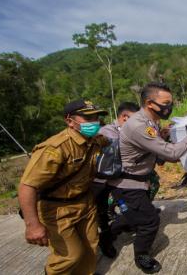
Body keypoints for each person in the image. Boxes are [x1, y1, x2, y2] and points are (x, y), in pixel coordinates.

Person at [118, 82, 187, 273]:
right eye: (166, 103)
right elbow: (172, 154)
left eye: (171, 102)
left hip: (142, 178)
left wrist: (164, 136)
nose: (169, 107)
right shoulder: (139, 125)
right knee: (149, 221)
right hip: (128, 182)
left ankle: (110, 233)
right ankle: (141, 255)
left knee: (134, 216)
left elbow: (155, 147)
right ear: (150, 103)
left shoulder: (152, 121)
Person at [18, 99, 109, 274]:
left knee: (90, 248)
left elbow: (115, 139)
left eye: (96, 117)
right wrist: (33, 225)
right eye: (87, 118)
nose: (94, 122)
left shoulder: (96, 140)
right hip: (57, 209)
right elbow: (27, 186)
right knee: (70, 255)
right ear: (69, 121)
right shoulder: (55, 148)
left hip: (85, 203)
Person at [91, 101, 140, 258]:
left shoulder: (124, 130)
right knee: (101, 212)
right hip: (99, 182)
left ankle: (122, 225)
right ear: (125, 117)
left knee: (130, 210)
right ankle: (105, 239)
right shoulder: (107, 131)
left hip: (117, 180)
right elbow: (120, 147)